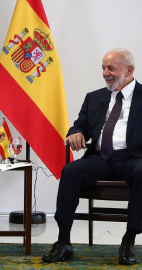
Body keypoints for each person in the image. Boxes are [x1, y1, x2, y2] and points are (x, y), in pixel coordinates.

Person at [42, 48, 142, 265]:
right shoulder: (94, 97)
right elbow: (80, 125)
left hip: (133, 158)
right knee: (70, 171)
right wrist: (75, 132)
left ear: (130, 70)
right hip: (100, 157)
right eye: (103, 68)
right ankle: (63, 242)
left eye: (111, 68)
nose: (105, 73)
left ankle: (128, 241)